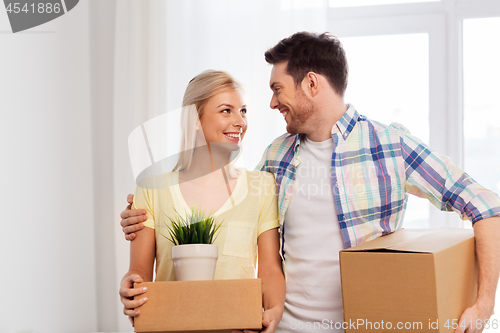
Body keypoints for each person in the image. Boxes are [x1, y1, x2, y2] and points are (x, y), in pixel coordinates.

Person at [120, 33, 500, 333]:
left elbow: (486, 206)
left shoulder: (391, 145)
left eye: (277, 89)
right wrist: (143, 213)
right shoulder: (275, 157)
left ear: (312, 84)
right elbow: (225, 209)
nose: (271, 104)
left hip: (367, 326)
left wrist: (484, 306)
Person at [119, 70, 285, 333]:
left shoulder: (262, 187)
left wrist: (274, 310)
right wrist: (131, 286)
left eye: (243, 111)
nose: (240, 121)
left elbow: (269, 269)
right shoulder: (151, 189)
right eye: (226, 111)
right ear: (194, 119)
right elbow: (138, 271)